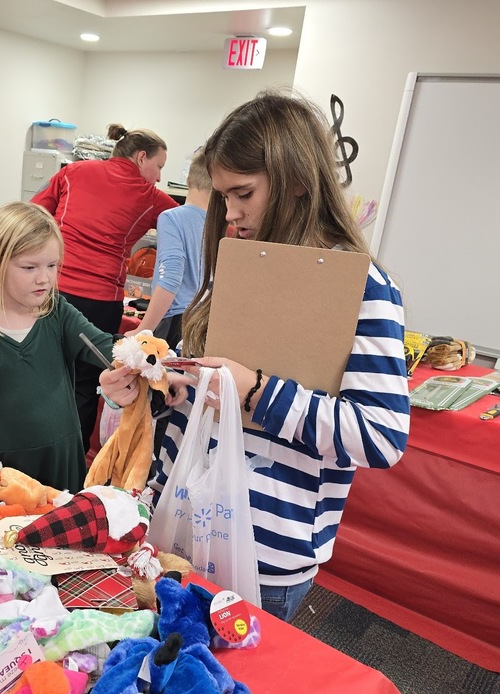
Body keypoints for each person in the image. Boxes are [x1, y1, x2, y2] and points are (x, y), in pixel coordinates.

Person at [99, 90, 410, 622]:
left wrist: (258, 391)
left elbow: (380, 436)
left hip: (265, 552)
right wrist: (160, 386)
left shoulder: (360, 286)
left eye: (243, 194)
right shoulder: (238, 263)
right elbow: (209, 386)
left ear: (294, 181)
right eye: (223, 197)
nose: (232, 214)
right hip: (181, 519)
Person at [0, 201, 115, 492]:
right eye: (29, 267)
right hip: (5, 470)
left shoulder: (58, 313)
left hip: (63, 461)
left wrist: (151, 361)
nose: (45, 278)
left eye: (52, 266)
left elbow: (108, 350)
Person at [31, 124, 179, 452]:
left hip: (52, 292)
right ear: (141, 157)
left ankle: (36, 450)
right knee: (85, 385)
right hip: (101, 302)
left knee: (42, 374)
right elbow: (189, 224)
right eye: (159, 167)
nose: (157, 177)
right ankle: (72, 456)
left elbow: (33, 214)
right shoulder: (150, 197)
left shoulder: (72, 172)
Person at [128, 149, 209, 351]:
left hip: (175, 321)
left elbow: (170, 277)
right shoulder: (221, 225)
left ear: (189, 180)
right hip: (203, 320)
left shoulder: (172, 218)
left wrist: (143, 329)